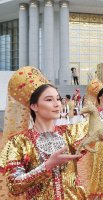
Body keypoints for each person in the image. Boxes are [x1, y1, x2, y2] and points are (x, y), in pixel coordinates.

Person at [0, 66, 88, 199]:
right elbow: (14, 186)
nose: (57, 104)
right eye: (49, 100)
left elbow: (102, 129)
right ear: (34, 106)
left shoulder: (69, 132)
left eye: (58, 99)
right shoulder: (19, 142)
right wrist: (46, 166)